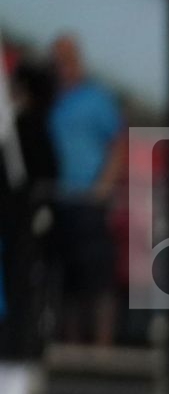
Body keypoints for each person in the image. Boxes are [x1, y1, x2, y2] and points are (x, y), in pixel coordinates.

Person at [46, 35, 123, 347]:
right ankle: (70, 346)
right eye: (57, 61)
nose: (62, 67)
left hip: (88, 199)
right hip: (56, 198)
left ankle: (102, 350)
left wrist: (103, 186)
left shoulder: (96, 98)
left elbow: (118, 141)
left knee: (97, 276)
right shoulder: (51, 99)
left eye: (67, 59)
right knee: (66, 279)